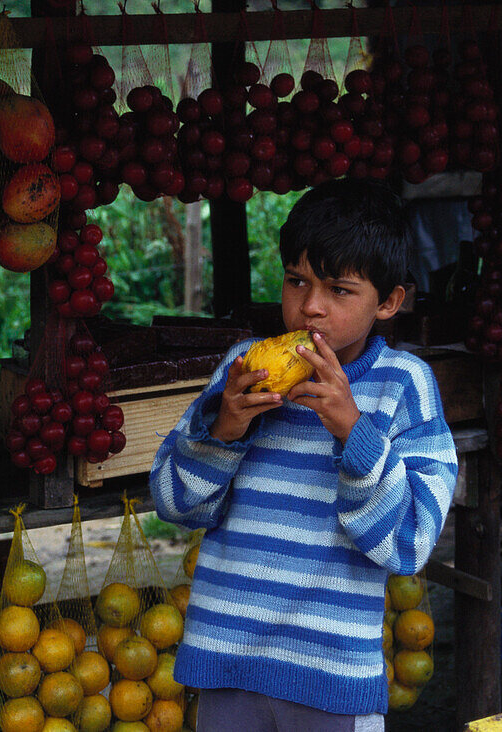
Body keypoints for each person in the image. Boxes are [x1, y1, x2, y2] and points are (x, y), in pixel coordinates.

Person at [149, 178, 459, 731]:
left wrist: (354, 431)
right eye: (297, 281)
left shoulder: (403, 387)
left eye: (340, 290)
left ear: (388, 302)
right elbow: (175, 504)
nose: (309, 307)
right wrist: (223, 427)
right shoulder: (242, 369)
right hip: (228, 664)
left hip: (331, 679)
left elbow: (411, 541)